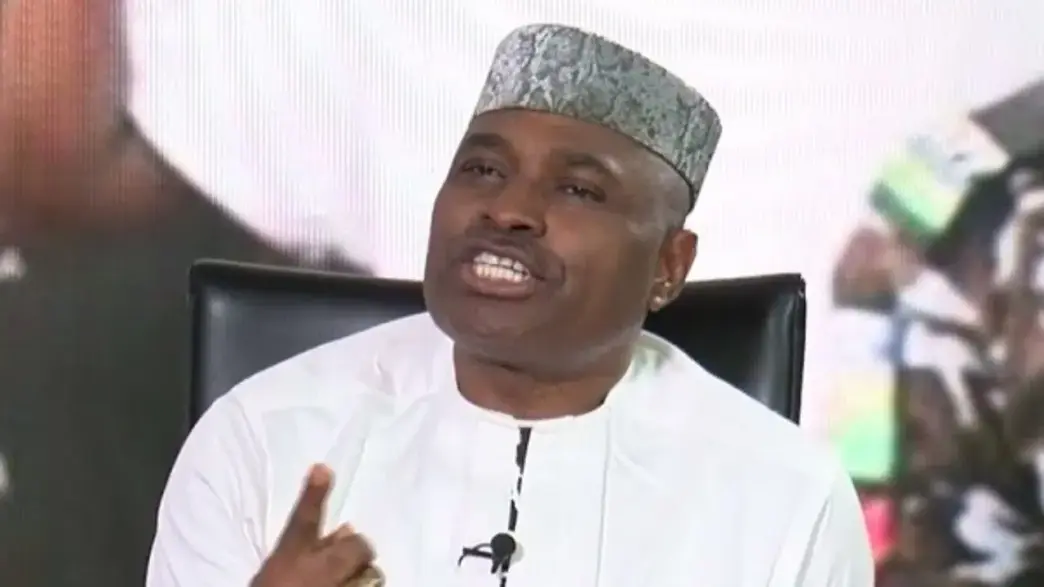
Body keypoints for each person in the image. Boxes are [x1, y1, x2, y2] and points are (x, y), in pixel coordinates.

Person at [146, 24, 873, 587]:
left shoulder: (786, 498)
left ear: (667, 267)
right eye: (483, 169)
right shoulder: (260, 439)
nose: (508, 210)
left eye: (579, 189)